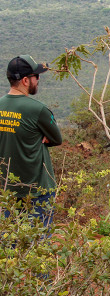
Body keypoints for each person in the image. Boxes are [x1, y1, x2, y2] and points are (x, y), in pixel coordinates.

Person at [0, 55, 62, 232]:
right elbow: (57, 139)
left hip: (6, 192)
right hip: (38, 190)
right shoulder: (38, 110)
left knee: (9, 247)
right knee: (38, 246)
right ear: (26, 80)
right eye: (36, 76)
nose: (39, 79)